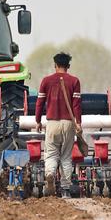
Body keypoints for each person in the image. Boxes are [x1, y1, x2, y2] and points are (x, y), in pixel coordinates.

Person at [35, 52, 82, 198]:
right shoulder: (74, 81)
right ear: (68, 66)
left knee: (51, 154)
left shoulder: (46, 81)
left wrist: (37, 120)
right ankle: (66, 190)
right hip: (68, 123)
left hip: (52, 123)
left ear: (55, 65)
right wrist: (78, 122)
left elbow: (39, 103)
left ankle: (50, 174)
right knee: (66, 156)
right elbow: (76, 105)